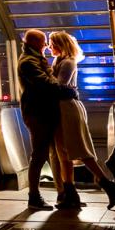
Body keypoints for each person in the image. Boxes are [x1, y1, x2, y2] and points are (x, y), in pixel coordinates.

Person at [48, 31, 115, 208]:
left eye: (52, 44)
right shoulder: (59, 61)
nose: (49, 47)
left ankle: (106, 183)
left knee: (78, 149)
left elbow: (59, 86)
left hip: (67, 109)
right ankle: (71, 193)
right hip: (62, 108)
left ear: (60, 45)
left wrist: (45, 77)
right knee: (64, 153)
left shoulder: (68, 62)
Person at [17, 29, 77, 210]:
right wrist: (68, 90)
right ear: (35, 43)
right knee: (39, 155)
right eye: (43, 42)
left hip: (42, 112)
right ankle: (34, 197)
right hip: (37, 114)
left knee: (52, 154)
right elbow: (46, 83)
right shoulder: (29, 62)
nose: (46, 45)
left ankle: (63, 194)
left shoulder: (34, 59)